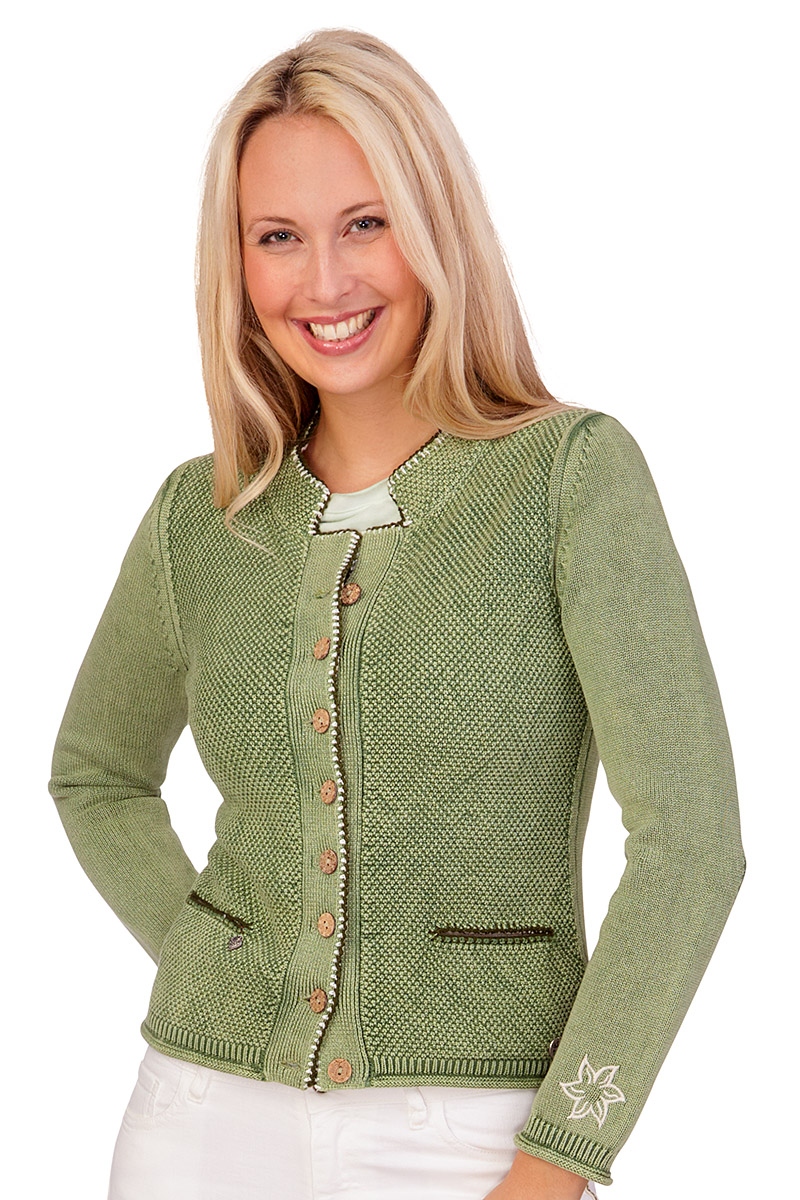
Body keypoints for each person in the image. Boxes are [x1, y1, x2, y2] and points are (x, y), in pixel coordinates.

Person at [49, 28, 745, 1200]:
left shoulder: (566, 478)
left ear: (435, 228)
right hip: (194, 1129)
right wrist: (223, 958)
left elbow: (690, 841)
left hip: (470, 1143)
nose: (323, 283)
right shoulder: (200, 516)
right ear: (237, 264)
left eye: (364, 224)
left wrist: (559, 1158)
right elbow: (95, 774)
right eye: (277, 237)